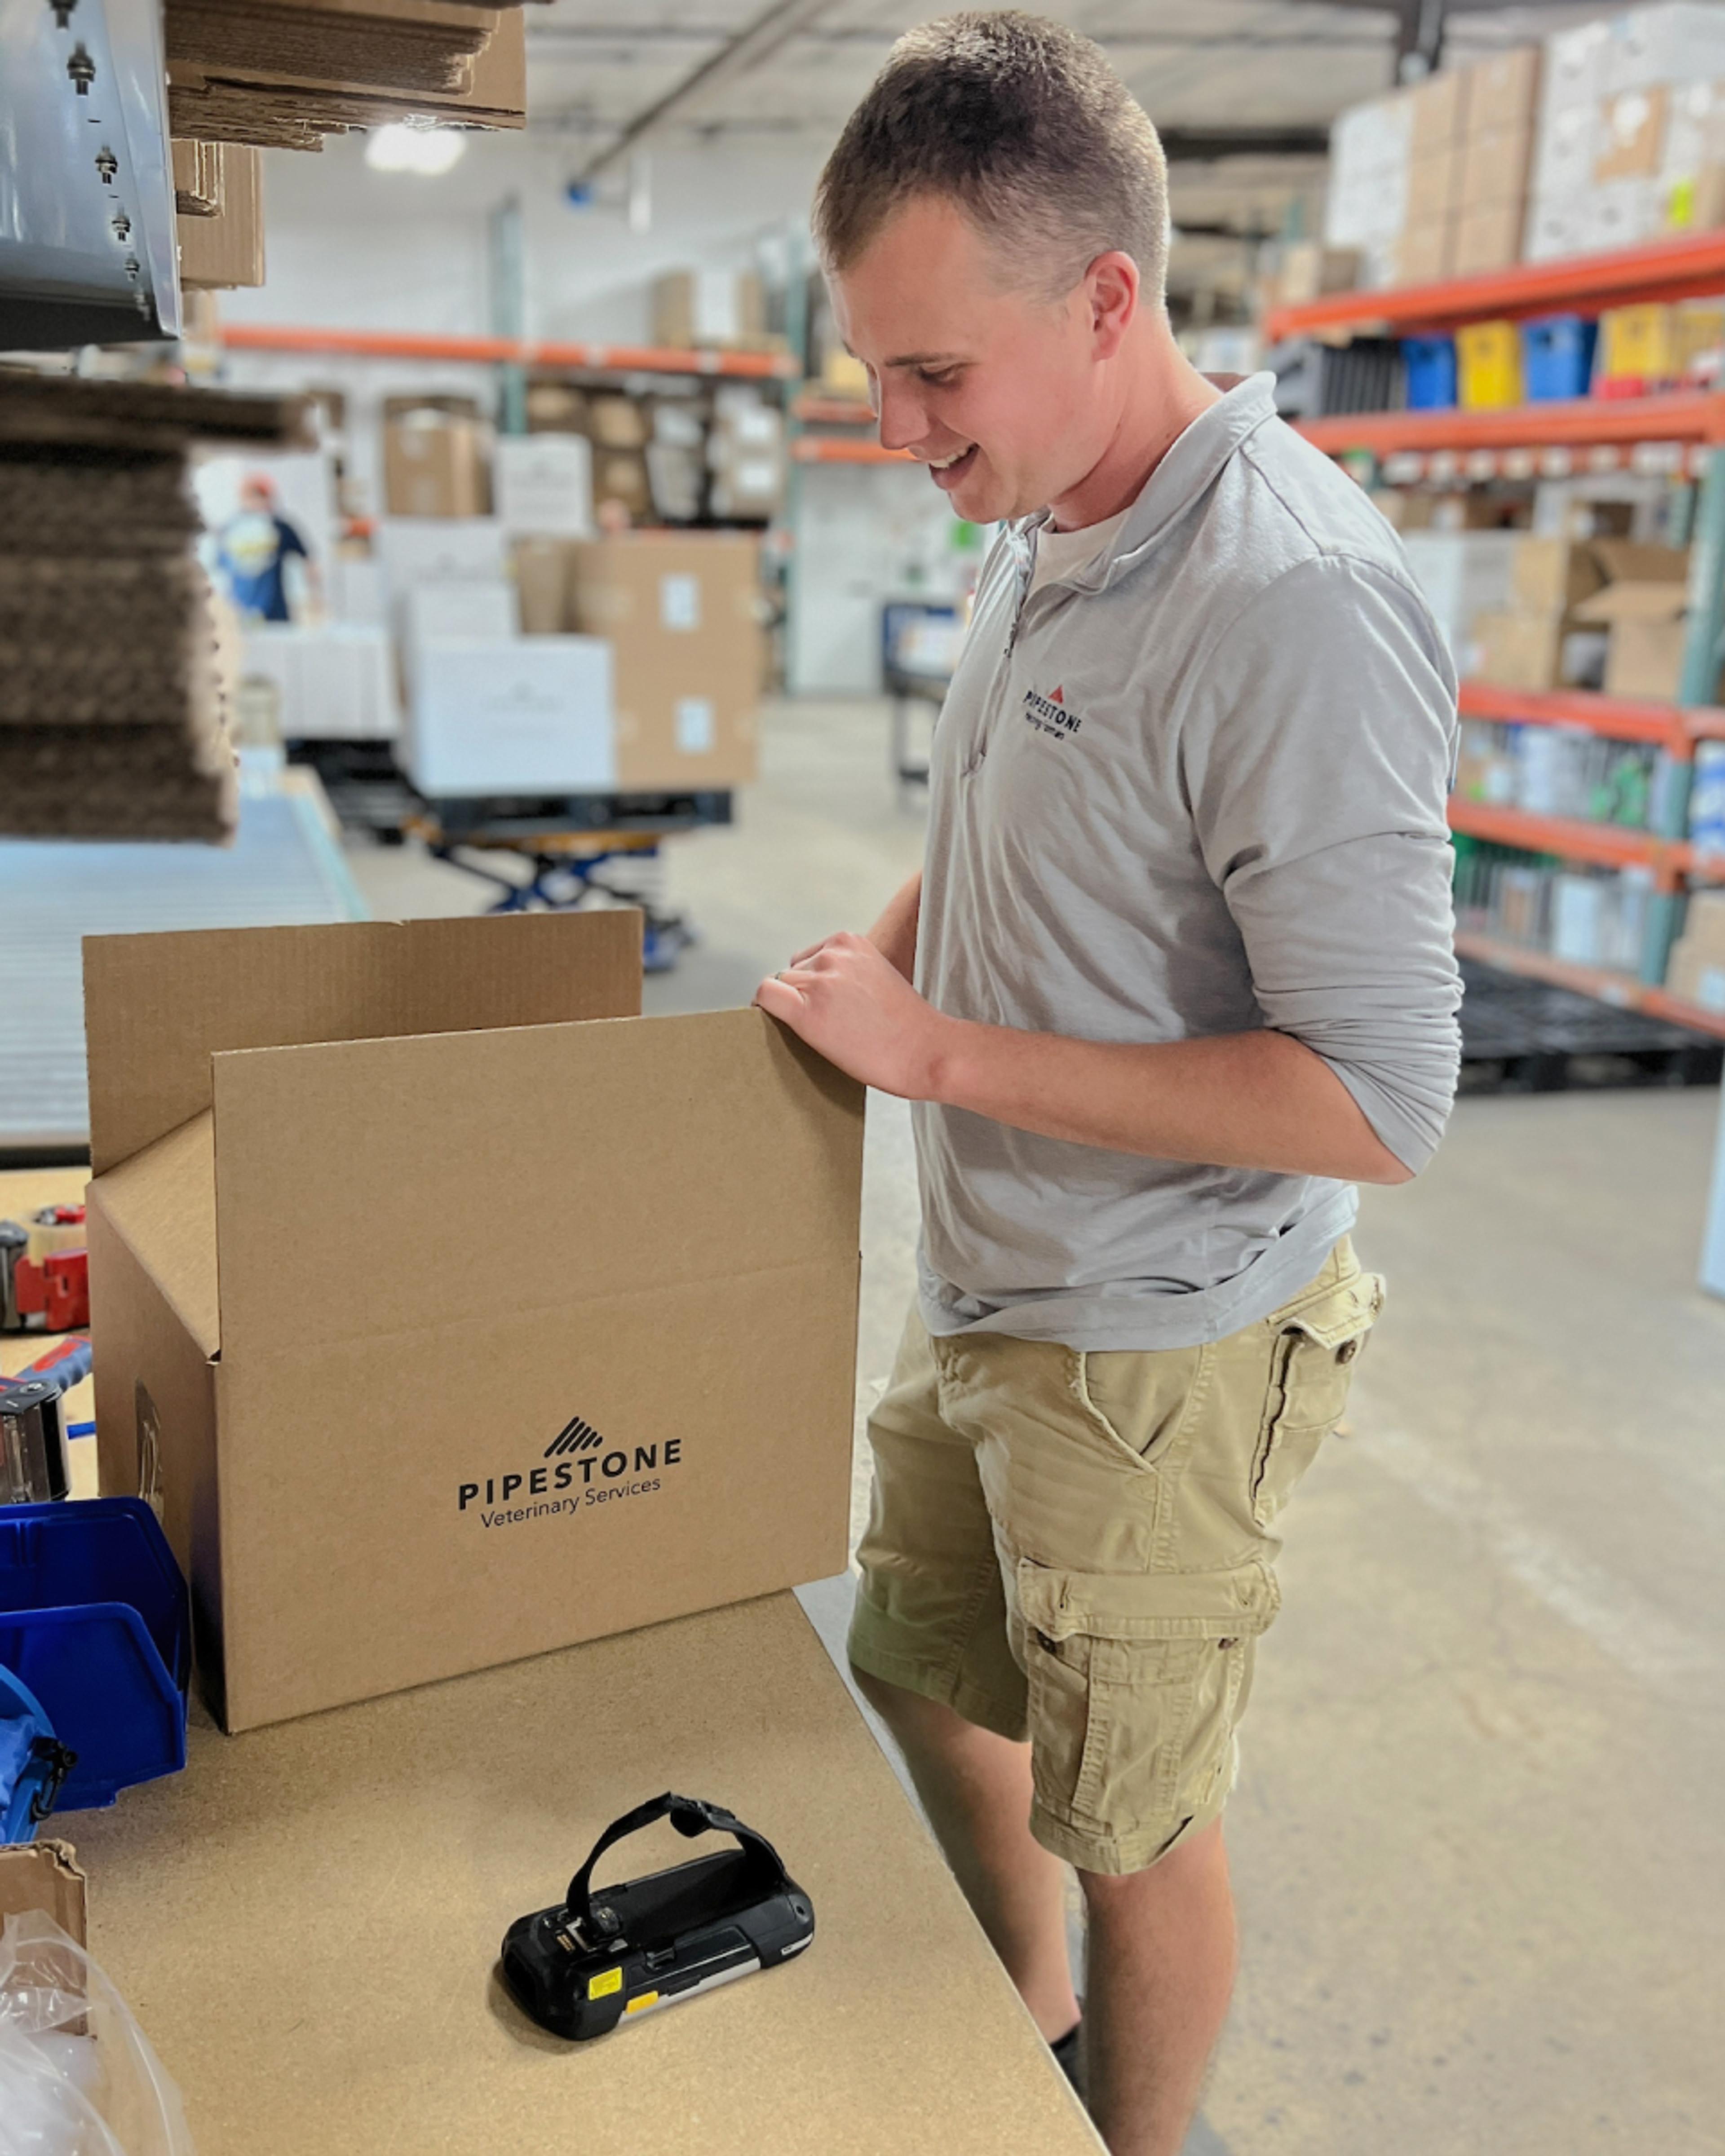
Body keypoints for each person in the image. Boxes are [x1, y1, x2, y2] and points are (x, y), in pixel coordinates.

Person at [753, 16, 1460, 2156]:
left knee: (1132, 1811)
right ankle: (1032, 2013)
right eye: (874, 372)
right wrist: (873, 954)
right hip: (989, 1268)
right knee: (909, 1655)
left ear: (1105, 300)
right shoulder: (1042, 508)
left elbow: (1375, 1099)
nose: (897, 430)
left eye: (934, 374)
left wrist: (942, 1052)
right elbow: (1015, 815)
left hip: (1153, 1340)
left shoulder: (1294, 603)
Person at [217, 473, 318, 623]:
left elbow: (309, 561)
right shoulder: (230, 529)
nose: (258, 502)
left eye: (261, 497)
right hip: (241, 610)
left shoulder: (280, 527)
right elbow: (220, 568)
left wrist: (312, 597)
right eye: (252, 496)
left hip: (274, 610)